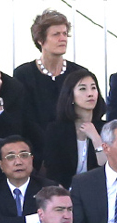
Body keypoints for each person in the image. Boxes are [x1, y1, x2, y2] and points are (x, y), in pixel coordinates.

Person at [13, 10, 87, 158]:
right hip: (36, 152)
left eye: (65, 34)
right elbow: (24, 117)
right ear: (41, 40)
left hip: (73, 149)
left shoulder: (79, 73)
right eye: (56, 34)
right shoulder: (23, 74)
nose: (63, 38)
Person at [41, 68, 107, 188]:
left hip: (98, 192)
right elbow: (53, 172)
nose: (90, 93)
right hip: (65, 192)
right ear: (70, 96)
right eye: (83, 89)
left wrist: (96, 138)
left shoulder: (106, 128)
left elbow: (106, 166)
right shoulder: (56, 130)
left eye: (93, 88)